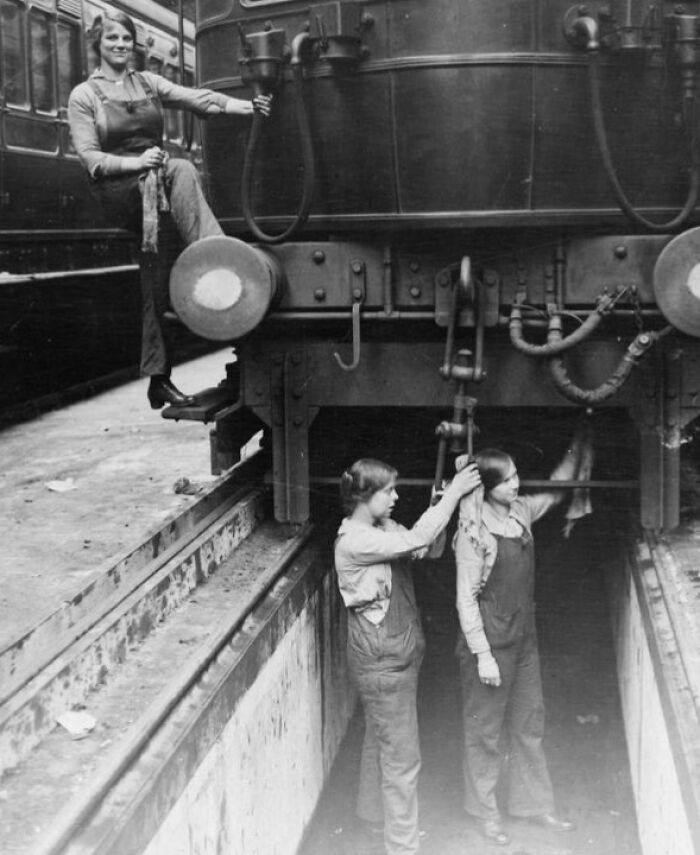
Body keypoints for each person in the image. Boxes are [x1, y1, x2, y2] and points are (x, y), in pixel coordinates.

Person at [67, 10, 272, 409]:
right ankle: (220, 260)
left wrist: (248, 108)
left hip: (154, 191)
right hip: (119, 189)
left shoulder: (146, 83)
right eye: (112, 39)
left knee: (156, 277)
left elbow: (201, 100)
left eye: (126, 40)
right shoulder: (84, 96)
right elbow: (92, 160)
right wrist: (139, 163)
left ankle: (158, 379)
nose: (121, 46)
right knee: (178, 166)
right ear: (98, 44)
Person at [334, 458, 481, 855]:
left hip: (394, 656)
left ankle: (371, 820)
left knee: (380, 741)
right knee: (402, 761)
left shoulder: (382, 528)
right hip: (384, 663)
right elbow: (415, 540)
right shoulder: (355, 540)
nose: (397, 497)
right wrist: (452, 496)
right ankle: (402, 847)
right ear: (366, 496)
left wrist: (439, 508)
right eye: (389, 491)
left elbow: (426, 549)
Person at [452, 426, 591, 846]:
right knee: (485, 731)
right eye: (508, 479)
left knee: (529, 722)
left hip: (524, 638)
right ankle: (485, 813)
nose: (517, 483)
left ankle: (533, 805)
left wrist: (580, 440)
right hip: (489, 643)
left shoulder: (520, 513)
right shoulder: (473, 533)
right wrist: (483, 656)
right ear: (489, 487)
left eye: (516, 476)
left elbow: (556, 490)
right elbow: (465, 601)